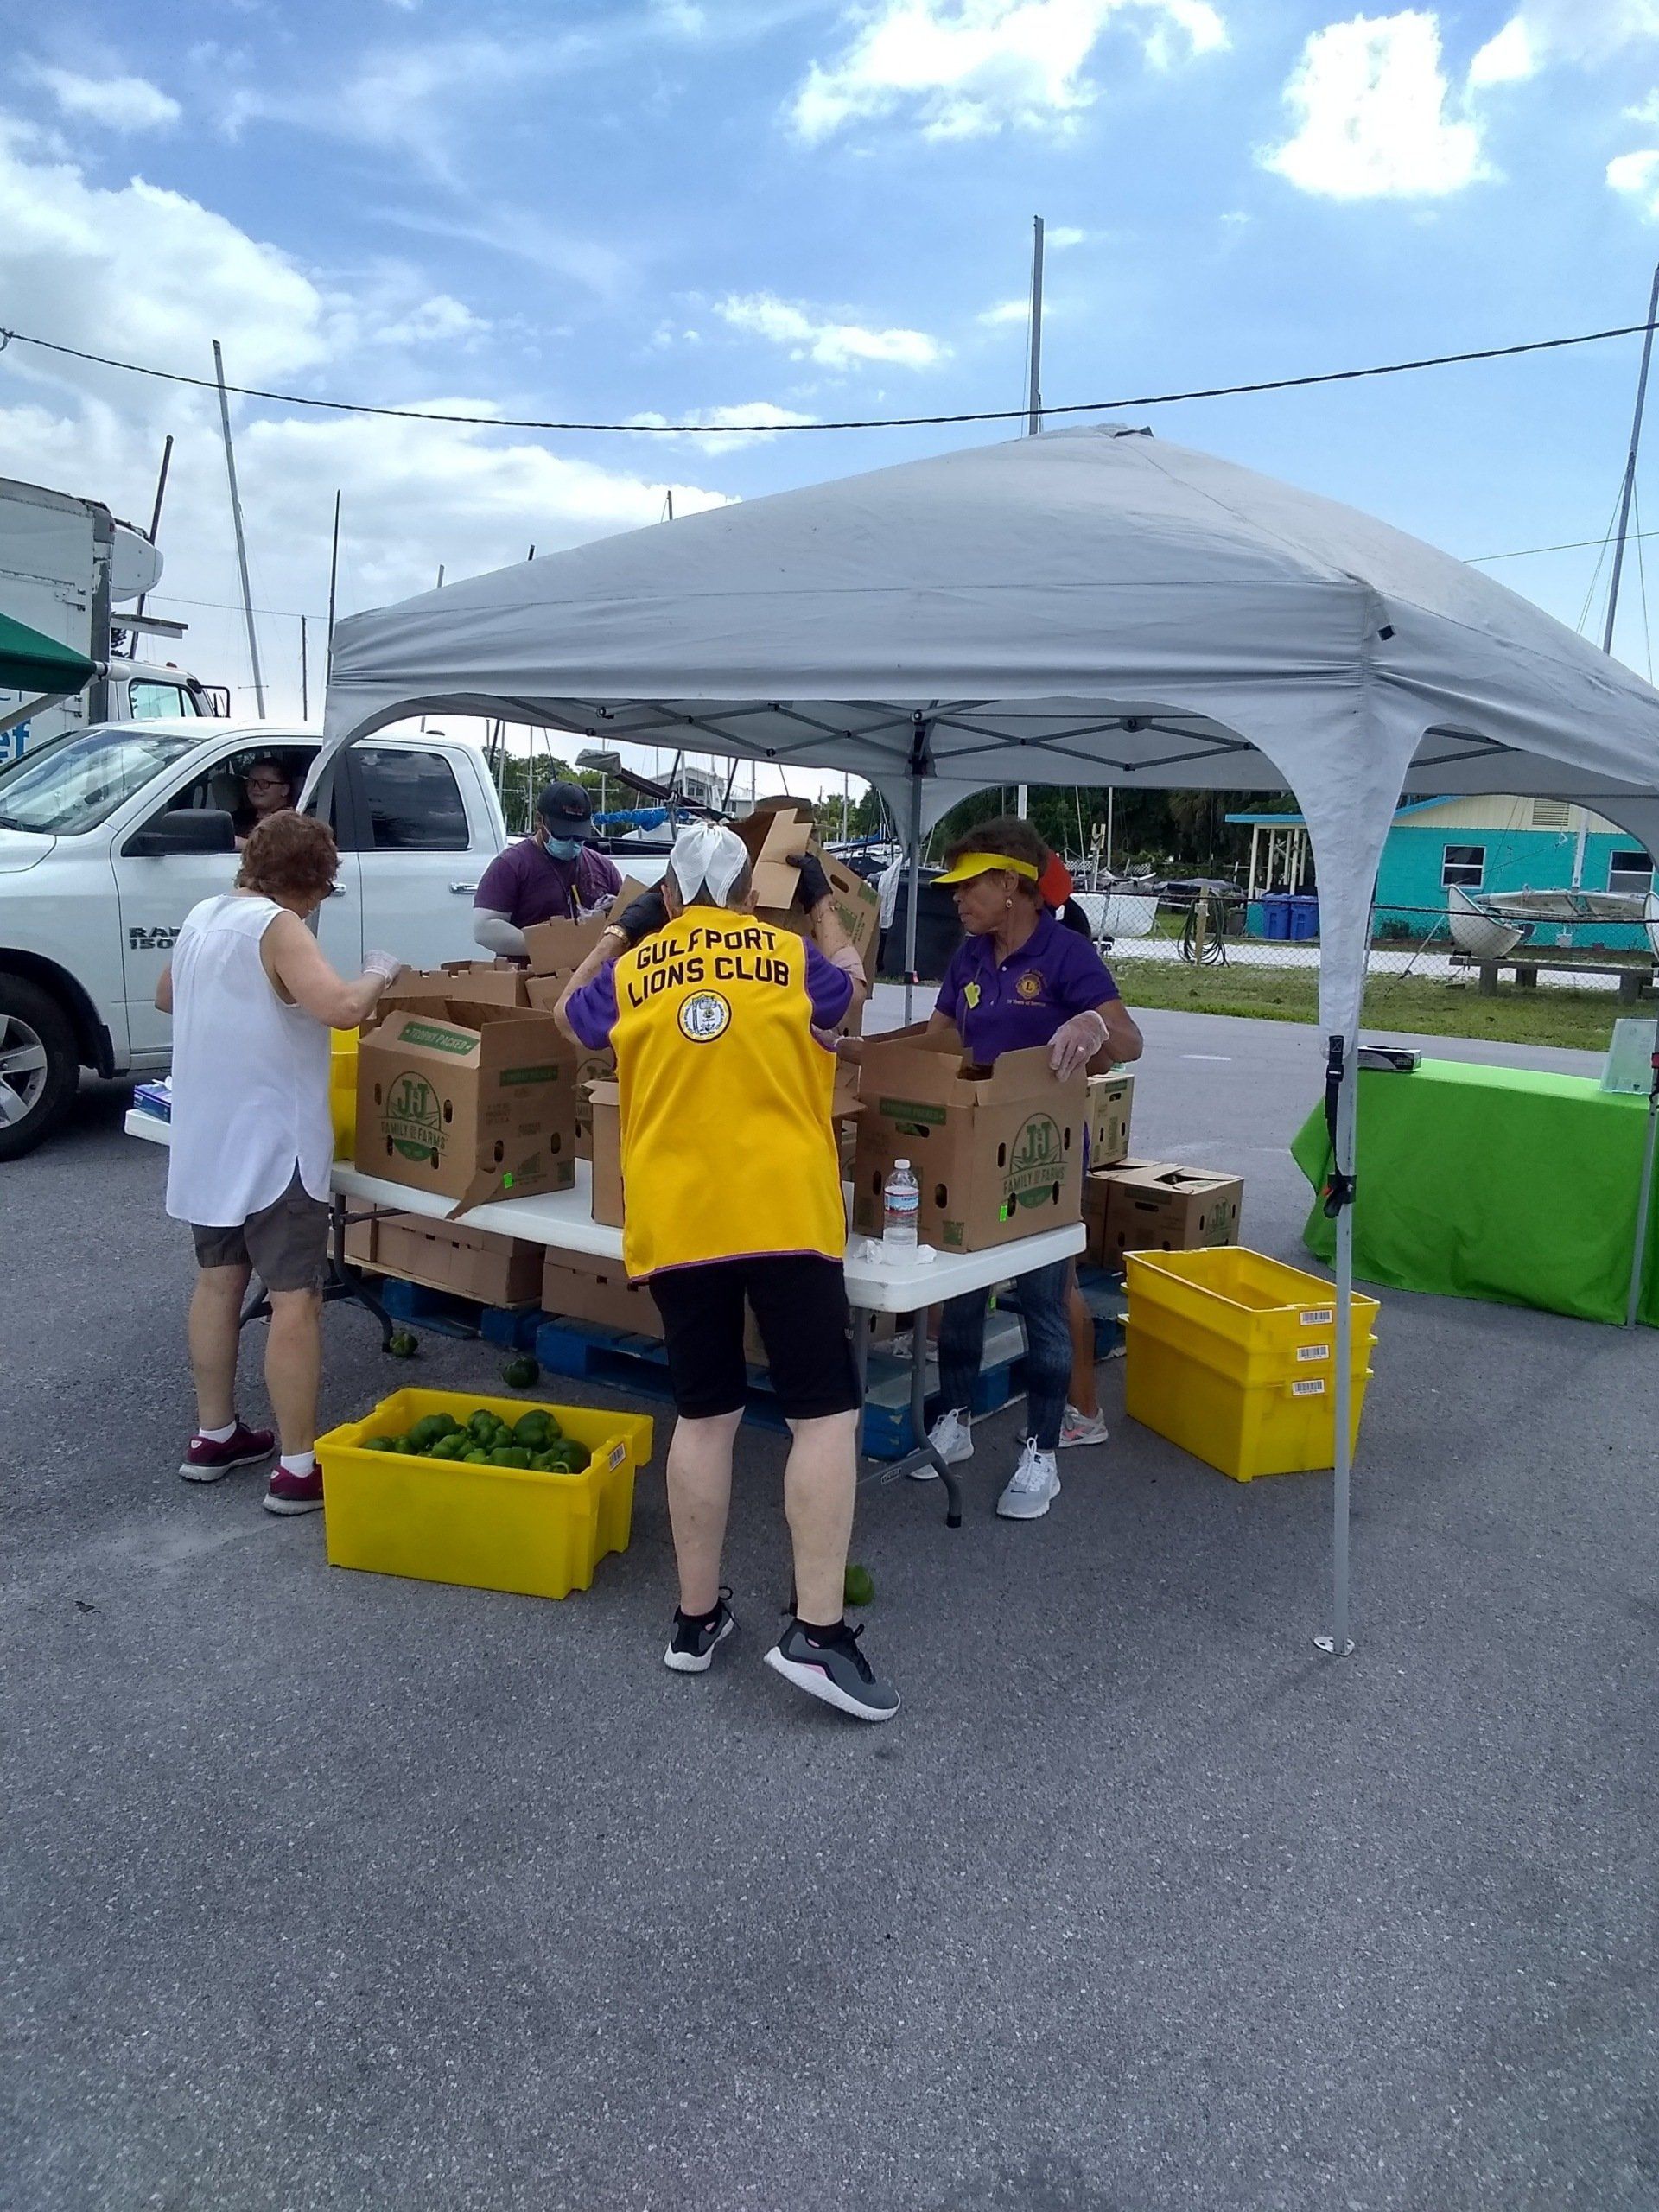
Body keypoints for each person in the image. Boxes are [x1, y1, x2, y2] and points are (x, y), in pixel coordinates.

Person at [556, 822, 899, 1723]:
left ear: (666, 895)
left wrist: (624, 929)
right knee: (822, 1414)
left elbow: (567, 1012)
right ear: (753, 894)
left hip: (680, 1223)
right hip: (785, 1215)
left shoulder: (634, 971)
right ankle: (818, 1635)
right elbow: (852, 992)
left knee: (705, 1416)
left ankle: (695, 1618)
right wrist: (824, 907)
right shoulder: (790, 960)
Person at [157, 812, 402, 1515]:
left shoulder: (206, 915)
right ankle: (298, 1467)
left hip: (209, 1137)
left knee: (217, 1283)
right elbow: (341, 1010)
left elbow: (168, 995)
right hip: (275, 1144)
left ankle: (215, 1435)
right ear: (315, 880)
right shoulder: (277, 926)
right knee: (296, 1298)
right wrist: (379, 974)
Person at [920, 816, 1142, 1521]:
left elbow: (1129, 1039)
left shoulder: (1067, 953)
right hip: (970, 1150)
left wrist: (1094, 1026)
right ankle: (954, 1421)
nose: (956, 899)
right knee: (958, 1295)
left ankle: (1042, 1451)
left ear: (1010, 885)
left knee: (1043, 1298)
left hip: (1040, 1160)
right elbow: (936, 1041)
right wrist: (854, 1049)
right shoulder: (970, 957)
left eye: (967, 885)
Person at [473, 780, 622, 959]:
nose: (572, 842)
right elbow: (484, 928)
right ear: (539, 821)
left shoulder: (602, 867)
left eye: (578, 836)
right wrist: (550, 946)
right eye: (563, 834)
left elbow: (626, 918)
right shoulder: (511, 865)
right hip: (531, 978)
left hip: (590, 976)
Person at [234, 757, 294, 847]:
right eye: (251, 782)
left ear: (284, 790)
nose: (256, 788)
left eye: (265, 783)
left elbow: (278, 852)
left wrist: (237, 843)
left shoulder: (291, 823)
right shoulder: (237, 818)